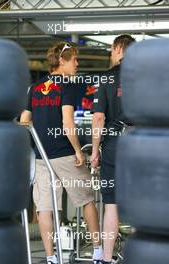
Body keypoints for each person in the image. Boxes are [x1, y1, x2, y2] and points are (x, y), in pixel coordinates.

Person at [20, 42, 102, 264]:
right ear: (62, 61)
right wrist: (78, 150)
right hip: (65, 154)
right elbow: (68, 124)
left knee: (45, 208)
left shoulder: (35, 87)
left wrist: (38, 142)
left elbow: (25, 121)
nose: (77, 63)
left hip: (41, 157)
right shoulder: (67, 86)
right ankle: (97, 253)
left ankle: (51, 257)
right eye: (74, 59)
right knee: (87, 200)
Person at [90, 35, 136, 264]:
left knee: (111, 204)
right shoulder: (144, 77)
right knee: (142, 203)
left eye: (111, 49)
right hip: (141, 145)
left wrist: (95, 151)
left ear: (119, 49)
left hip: (112, 146)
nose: (110, 52)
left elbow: (98, 117)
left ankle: (106, 259)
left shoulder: (105, 78)